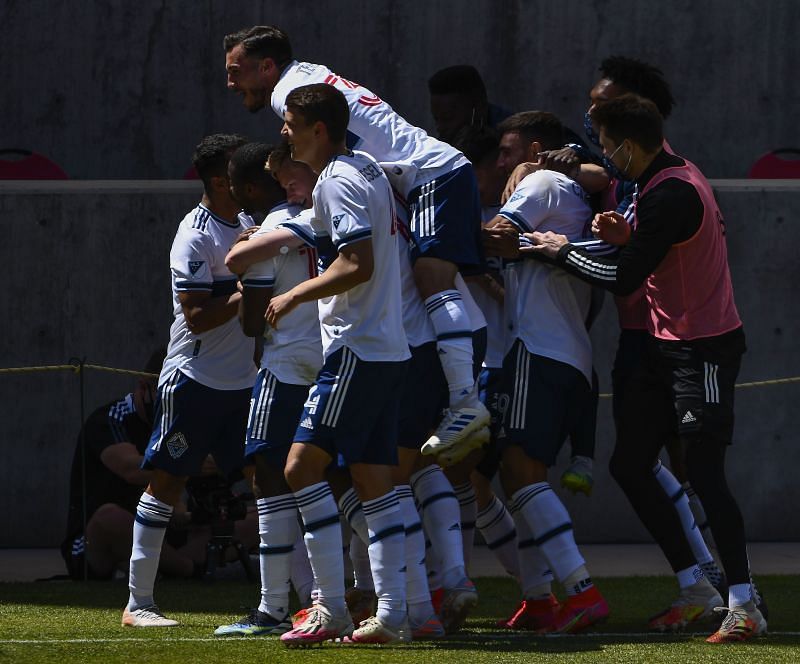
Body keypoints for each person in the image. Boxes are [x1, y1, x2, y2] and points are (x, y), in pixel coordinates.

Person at [525, 94, 765, 643]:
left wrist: (558, 249)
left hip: (701, 350)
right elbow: (645, 255)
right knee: (630, 463)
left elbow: (625, 277)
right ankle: (694, 584)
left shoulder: (672, 193)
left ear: (629, 145)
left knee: (705, 474)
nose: (604, 158)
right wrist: (620, 240)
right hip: (664, 344)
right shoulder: (661, 179)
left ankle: (745, 602)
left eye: (607, 147)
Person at [224, 26, 489, 458]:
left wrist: (289, 286)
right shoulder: (312, 74)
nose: (231, 83)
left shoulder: (289, 96)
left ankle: (465, 400)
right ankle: (463, 398)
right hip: (425, 176)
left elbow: (354, 257)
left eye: (237, 72)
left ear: (268, 67)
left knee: (432, 277)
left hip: (430, 173)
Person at [258, 83, 410, 646]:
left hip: (358, 348)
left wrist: (296, 295)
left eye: (291, 123)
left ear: (318, 129)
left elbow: (357, 263)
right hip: (387, 348)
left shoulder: (341, 179)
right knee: (373, 480)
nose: (284, 131)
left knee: (299, 469)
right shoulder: (365, 167)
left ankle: (332, 609)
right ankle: (394, 615)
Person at [122, 134, 258, 628]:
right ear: (222, 180)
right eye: (243, 168)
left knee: (269, 482)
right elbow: (198, 316)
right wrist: (248, 288)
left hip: (245, 383)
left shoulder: (248, 221)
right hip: (194, 380)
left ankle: (291, 597)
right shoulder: (194, 235)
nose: (255, 173)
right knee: (167, 482)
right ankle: (138, 603)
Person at [488, 111, 609, 633]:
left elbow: (496, 235)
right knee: (522, 479)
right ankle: (539, 599)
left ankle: (581, 590)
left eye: (508, 152)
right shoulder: (577, 195)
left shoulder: (540, 182)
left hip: (540, 350)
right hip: (569, 354)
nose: (501, 163)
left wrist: (429, 237)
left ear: (537, 151)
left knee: (518, 473)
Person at [213, 141, 320, 637]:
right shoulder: (328, 210)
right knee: (342, 480)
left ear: (252, 186)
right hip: (340, 356)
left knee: (268, 476)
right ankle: (354, 595)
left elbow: (254, 322)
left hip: (288, 362)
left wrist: (242, 296)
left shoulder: (269, 230)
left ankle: (274, 605)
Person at [61, 349, 203, 580]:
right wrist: (195, 464)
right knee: (111, 518)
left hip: (162, 529)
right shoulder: (111, 419)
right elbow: (132, 469)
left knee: (248, 518)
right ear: (143, 387)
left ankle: (171, 565)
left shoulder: (176, 429)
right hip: (94, 540)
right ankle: (189, 569)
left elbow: (176, 470)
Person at [427, 65, 512, 144]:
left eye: (448, 118)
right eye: (436, 120)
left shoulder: (512, 137)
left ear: (478, 107)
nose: (440, 128)